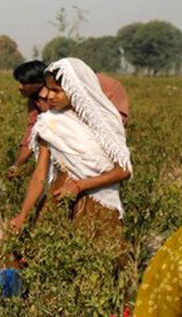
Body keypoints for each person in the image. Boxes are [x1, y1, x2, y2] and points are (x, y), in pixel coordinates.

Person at [8, 57, 131, 237]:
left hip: (97, 206)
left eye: (57, 91)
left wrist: (80, 186)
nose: (50, 96)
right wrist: (23, 214)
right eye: (49, 90)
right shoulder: (48, 123)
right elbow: (39, 175)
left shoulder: (105, 123)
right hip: (57, 201)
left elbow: (123, 171)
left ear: (75, 89)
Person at [7, 59, 128, 179]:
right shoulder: (36, 100)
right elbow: (32, 132)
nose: (20, 87)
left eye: (24, 83)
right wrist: (17, 166)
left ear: (38, 82)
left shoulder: (75, 89)